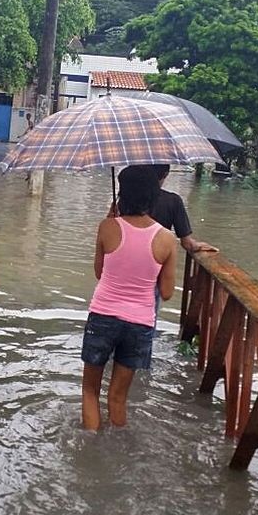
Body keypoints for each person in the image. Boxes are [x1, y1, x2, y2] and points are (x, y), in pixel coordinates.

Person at [81, 166, 177, 431]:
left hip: (103, 316)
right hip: (140, 323)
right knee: (118, 398)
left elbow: (100, 273)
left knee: (90, 391)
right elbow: (167, 293)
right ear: (153, 195)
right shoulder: (167, 239)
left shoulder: (107, 227)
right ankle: (116, 452)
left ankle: (89, 450)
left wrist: (110, 221)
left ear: (122, 194)